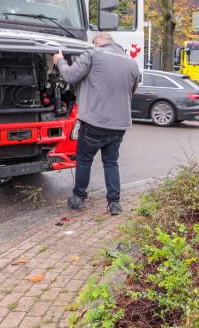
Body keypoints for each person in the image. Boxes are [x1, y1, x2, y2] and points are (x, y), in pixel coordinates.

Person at [53, 33, 140, 215]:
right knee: (111, 162)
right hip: (119, 124)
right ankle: (114, 203)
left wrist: (59, 61)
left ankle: (78, 198)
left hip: (94, 121)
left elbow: (69, 76)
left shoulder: (93, 53)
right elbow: (131, 91)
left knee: (84, 160)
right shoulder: (132, 63)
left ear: (98, 42)